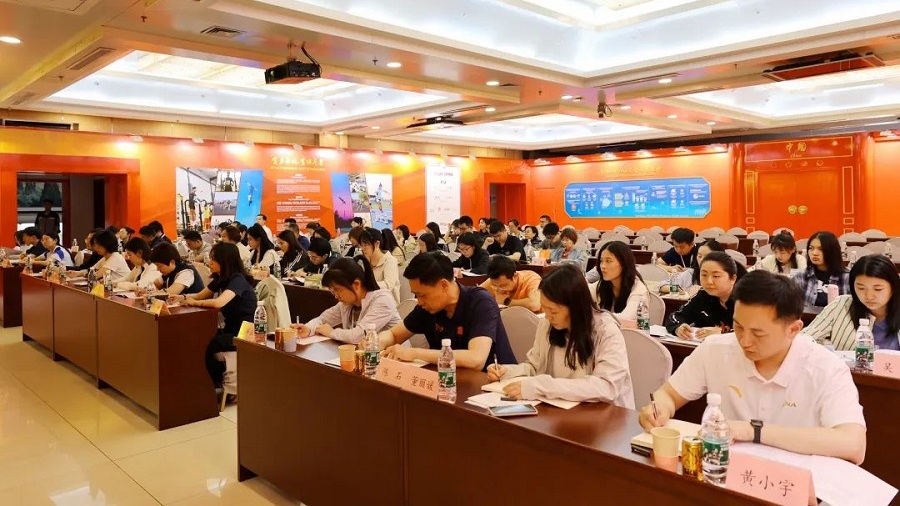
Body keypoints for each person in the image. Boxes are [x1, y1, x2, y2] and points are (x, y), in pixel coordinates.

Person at [638, 270, 866, 465]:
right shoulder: (716, 349)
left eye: (758, 333)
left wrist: (753, 430)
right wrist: (660, 408)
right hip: (726, 473)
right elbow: (669, 394)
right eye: (738, 327)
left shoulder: (825, 368)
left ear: (793, 330)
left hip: (793, 481)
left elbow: (853, 445)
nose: (744, 341)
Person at [486, 264, 634, 407]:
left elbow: (606, 387)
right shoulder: (547, 324)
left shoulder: (605, 330)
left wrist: (542, 387)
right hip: (560, 410)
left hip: (603, 415)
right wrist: (508, 372)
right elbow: (535, 367)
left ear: (575, 307)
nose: (547, 316)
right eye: (545, 308)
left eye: (553, 311)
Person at [380, 252, 517, 370]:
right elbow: (393, 334)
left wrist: (414, 353)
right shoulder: (427, 308)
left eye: (422, 295)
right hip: (449, 381)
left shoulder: (480, 302)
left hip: (495, 384)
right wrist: (375, 343)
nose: (419, 301)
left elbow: (476, 359)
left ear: (443, 285)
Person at [175, 243, 257, 390]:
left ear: (225, 261)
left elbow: (219, 302)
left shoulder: (237, 280)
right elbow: (200, 295)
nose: (210, 262)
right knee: (200, 339)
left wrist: (195, 303)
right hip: (230, 329)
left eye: (213, 259)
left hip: (243, 333)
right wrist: (181, 298)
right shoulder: (221, 278)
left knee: (208, 345)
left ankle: (215, 385)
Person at [292, 257, 401, 344]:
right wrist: (308, 329)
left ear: (356, 284)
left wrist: (332, 332)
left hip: (392, 358)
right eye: (333, 291)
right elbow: (323, 319)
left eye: (337, 290)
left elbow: (358, 336)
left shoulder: (382, 300)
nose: (336, 296)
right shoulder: (347, 302)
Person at [805, 254, 900, 351]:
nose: (869, 296)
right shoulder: (841, 305)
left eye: (878, 289)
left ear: (894, 287)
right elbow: (804, 338)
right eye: (861, 288)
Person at [666, 251, 744, 340]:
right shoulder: (703, 296)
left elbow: (751, 333)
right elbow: (675, 315)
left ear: (733, 279)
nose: (709, 281)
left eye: (716, 276)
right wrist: (678, 327)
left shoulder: (746, 301)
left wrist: (722, 332)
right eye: (704, 275)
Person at [589, 241, 649, 321]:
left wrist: (594, 316)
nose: (602, 266)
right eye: (601, 261)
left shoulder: (639, 290)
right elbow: (582, 294)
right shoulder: (602, 284)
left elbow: (626, 318)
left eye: (608, 261)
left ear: (624, 263)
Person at [793, 231, 850, 307]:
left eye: (821, 249)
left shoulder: (847, 277)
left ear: (832, 251)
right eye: (811, 248)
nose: (814, 253)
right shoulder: (801, 276)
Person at [657, 239, 725, 294]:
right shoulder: (690, 273)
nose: (702, 260)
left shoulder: (725, 276)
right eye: (699, 256)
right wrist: (676, 289)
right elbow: (662, 285)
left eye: (707, 257)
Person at [359, 228, 400, 303]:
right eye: (361, 245)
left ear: (377, 243)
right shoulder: (365, 260)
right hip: (370, 300)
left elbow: (388, 285)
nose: (363, 249)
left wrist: (367, 285)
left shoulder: (390, 261)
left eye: (365, 245)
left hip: (388, 303)